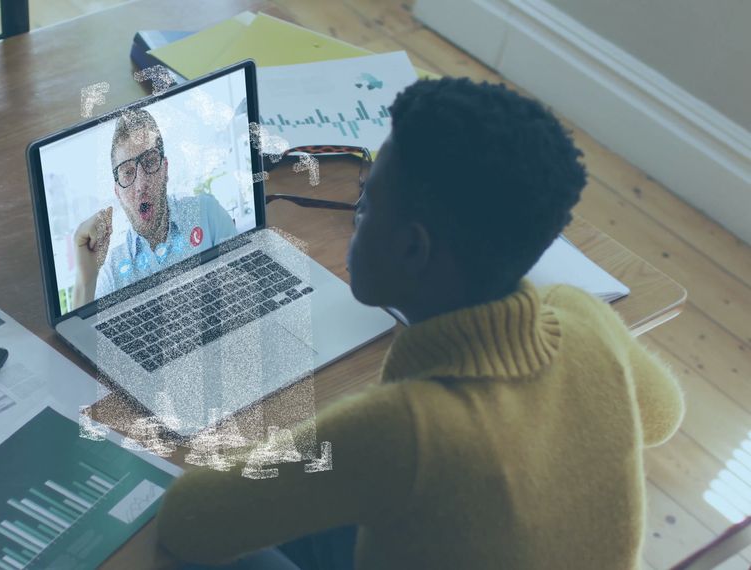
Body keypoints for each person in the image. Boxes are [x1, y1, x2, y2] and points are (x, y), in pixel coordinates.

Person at [155, 78, 685, 569]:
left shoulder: (405, 430)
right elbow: (663, 414)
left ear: (412, 248)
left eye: (365, 204)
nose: (356, 216)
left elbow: (187, 520)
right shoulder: (584, 317)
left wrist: (313, 437)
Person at [70, 108, 238, 308]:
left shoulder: (208, 214)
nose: (141, 185)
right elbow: (84, 337)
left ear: (165, 169)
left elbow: (244, 291)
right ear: (117, 192)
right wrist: (86, 278)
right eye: (128, 172)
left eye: (150, 162)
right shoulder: (112, 273)